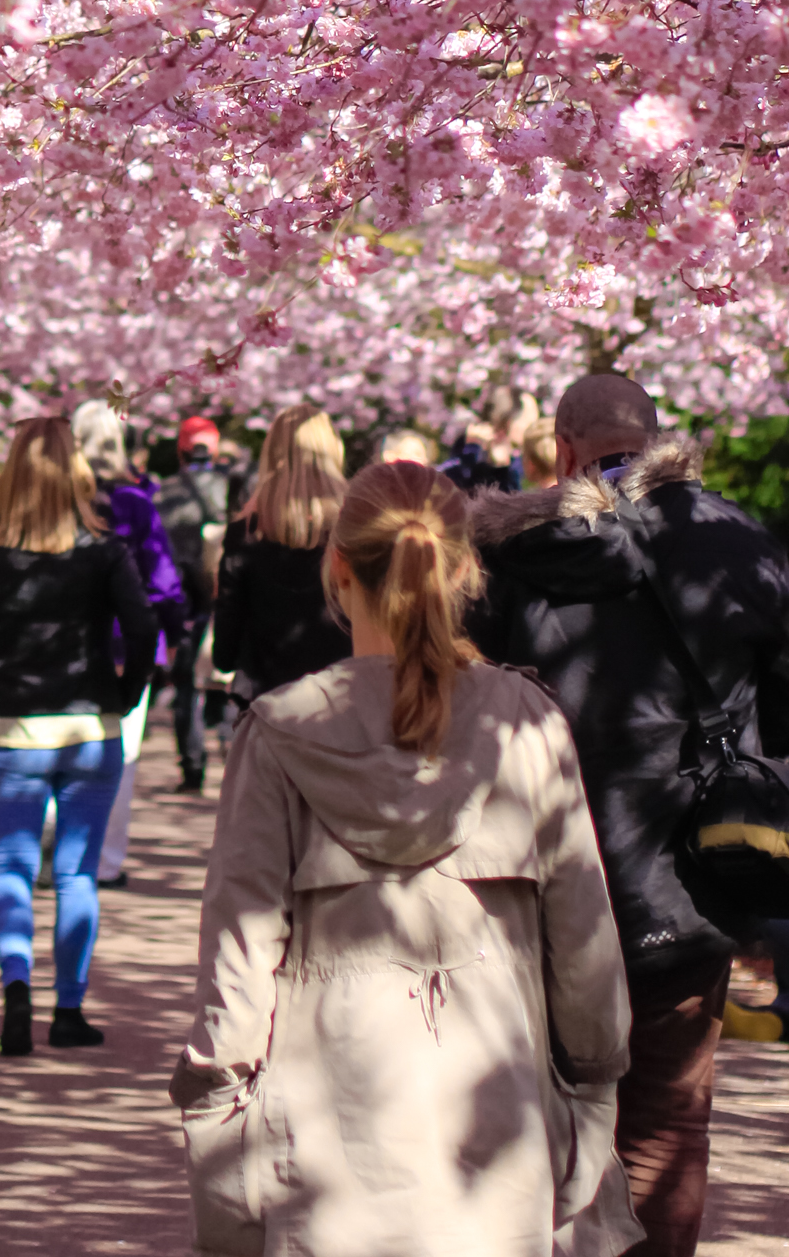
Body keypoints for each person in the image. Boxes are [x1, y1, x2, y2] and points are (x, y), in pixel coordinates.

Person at [175, 458, 637, 1257]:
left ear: (338, 566)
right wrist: (594, 1087)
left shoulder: (282, 731)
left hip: (323, 1132)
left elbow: (238, 952)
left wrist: (217, 1111)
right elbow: (585, 940)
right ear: (465, 568)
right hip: (497, 1122)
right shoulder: (526, 723)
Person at [471, 370, 789, 1257]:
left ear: (564, 449)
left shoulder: (510, 552)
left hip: (534, 874)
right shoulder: (733, 539)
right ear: (655, 440)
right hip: (693, 873)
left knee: (530, 1114)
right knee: (665, 1122)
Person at [0, 418, 156, 1055]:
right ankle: (68, 1008)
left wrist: (5, 664)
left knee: (11, 866)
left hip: (15, 725)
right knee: (76, 874)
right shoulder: (104, 549)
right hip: (88, 723)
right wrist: (126, 694)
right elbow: (144, 625)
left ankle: (16, 988)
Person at [70, 400, 185, 888]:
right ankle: (104, 860)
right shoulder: (134, 502)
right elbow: (162, 579)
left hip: (69, 642)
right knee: (120, 755)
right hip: (126, 646)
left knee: (63, 745)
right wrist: (174, 630)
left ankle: (59, 847)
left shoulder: (62, 501)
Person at [212, 405, 352, 708]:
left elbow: (228, 620)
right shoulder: (355, 527)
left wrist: (225, 658)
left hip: (267, 698)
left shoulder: (246, 531)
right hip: (343, 694)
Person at [157, 416, 235, 791]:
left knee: (186, 683)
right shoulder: (232, 490)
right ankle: (233, 755)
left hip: (185, 602)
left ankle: (191, 767)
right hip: (225, 598)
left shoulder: (165, 493)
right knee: (228, 679)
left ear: (181, 449)